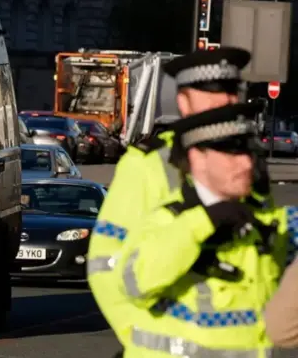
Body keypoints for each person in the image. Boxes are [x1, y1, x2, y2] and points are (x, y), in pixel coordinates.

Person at [86, 47, 273, 346]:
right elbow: (105, 265)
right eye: (209, 92)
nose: (223, 100)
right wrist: (138, 336)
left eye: (230, 90)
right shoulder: (148, 163)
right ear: (183, 102)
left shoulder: (248, 164)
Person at [113, 102, 292, 357]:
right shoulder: (166, 221)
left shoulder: (260, 222)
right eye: (233, 155)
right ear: (199, 159)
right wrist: (203, 222)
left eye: (251, 155)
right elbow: (134, 283)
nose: (246, 165)